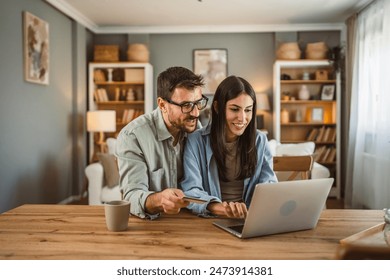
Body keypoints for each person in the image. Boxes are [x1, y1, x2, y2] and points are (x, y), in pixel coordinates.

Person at [116, 66, 207, 219]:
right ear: (162, 105)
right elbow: (131, 196)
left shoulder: (195, 129)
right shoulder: (132, 136)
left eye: (198, 103)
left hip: (192, 220)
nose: (196, 113)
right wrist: (160, 199)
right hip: (152, 225)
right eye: (186, 105)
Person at [180, 75, 277, 218]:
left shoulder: (260, 140)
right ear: (218, 107)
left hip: (251, 218)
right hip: (211, 219)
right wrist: (218, 207)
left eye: (248, 110)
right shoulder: (196, 141)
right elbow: (191, 190)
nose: (242, 118)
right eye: (235, 109)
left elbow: (269, 183)